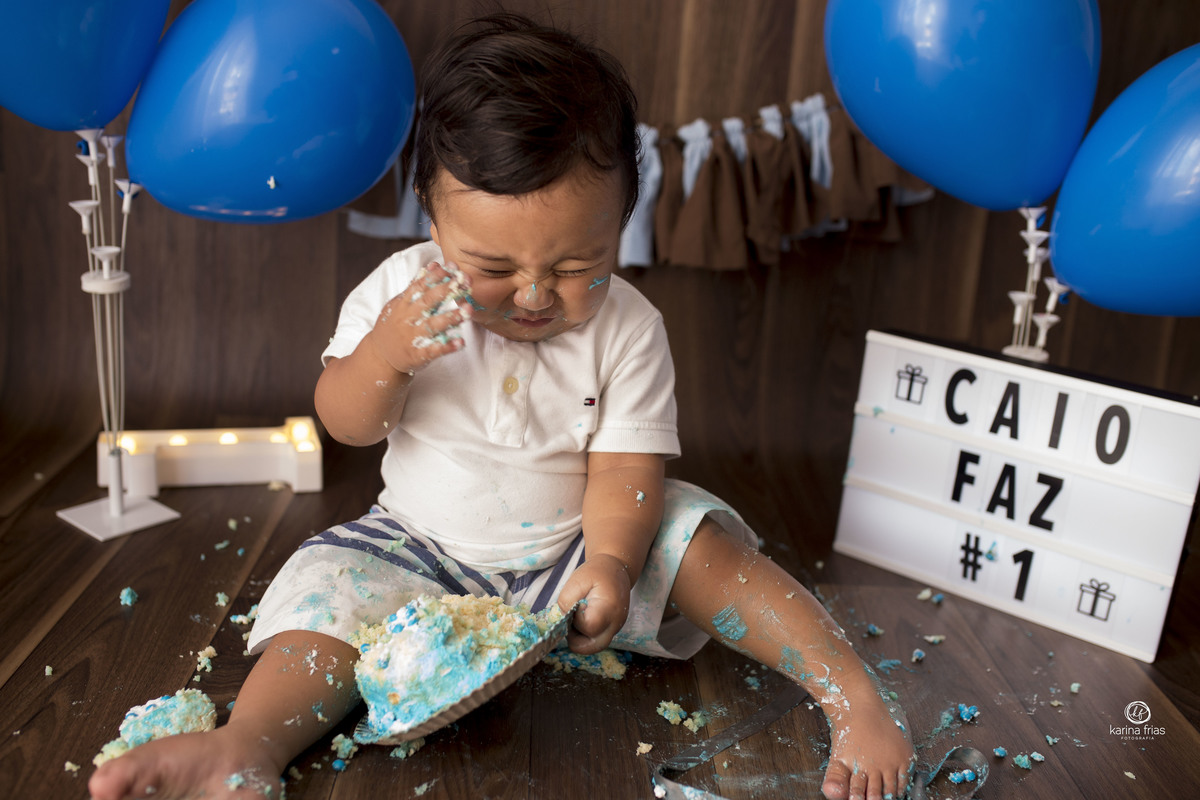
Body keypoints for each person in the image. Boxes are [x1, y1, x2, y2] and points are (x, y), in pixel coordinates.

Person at [89, 13, 913, 800]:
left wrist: (615, 564)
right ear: (432, 219)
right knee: (326, 591)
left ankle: (850, 694)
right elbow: (347, 422)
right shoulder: (399, 297)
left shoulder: (626, 327)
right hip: (417, 547)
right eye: (491, 263)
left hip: (575, 554)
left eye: (574, 263)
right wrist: (386, 355)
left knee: (699, 541)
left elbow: (626, 465)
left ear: (623, 221)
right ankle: (248, 746)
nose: (531, 292)